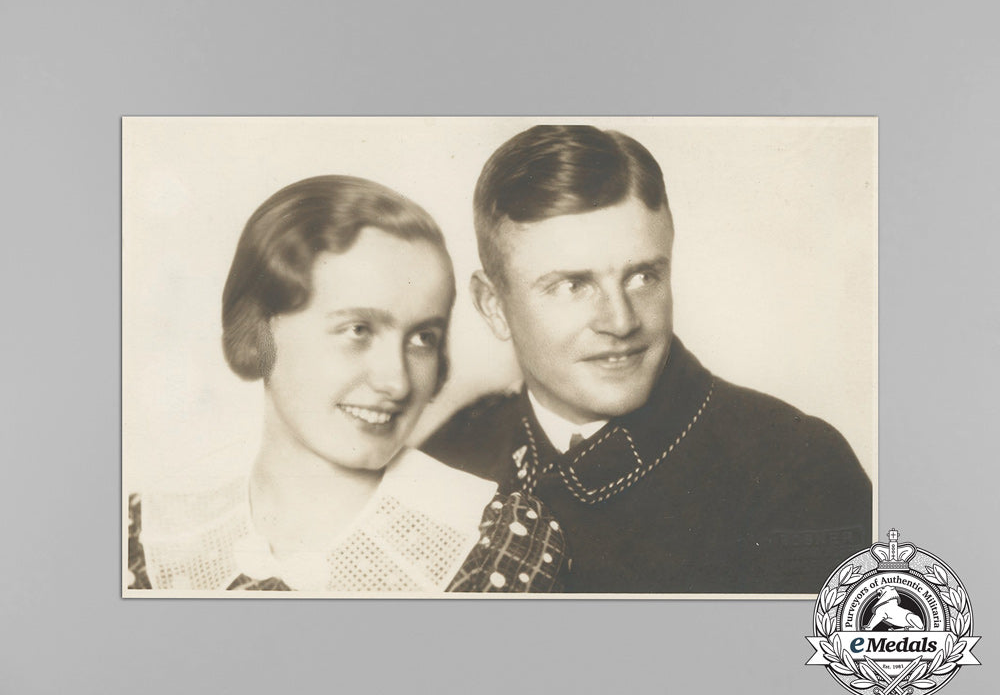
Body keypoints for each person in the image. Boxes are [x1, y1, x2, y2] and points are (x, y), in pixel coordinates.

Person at [423, 125, 873, 594]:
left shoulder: (796, 471)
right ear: (493, 305)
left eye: (643, 276)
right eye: (573, 286)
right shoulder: (449, 457)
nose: (620, 322)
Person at [126, 175, 566, 593]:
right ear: (260, 333)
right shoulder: (147, 533)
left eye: (422, 338)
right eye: (358, 329)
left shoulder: (494, 543)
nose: (396, 381)